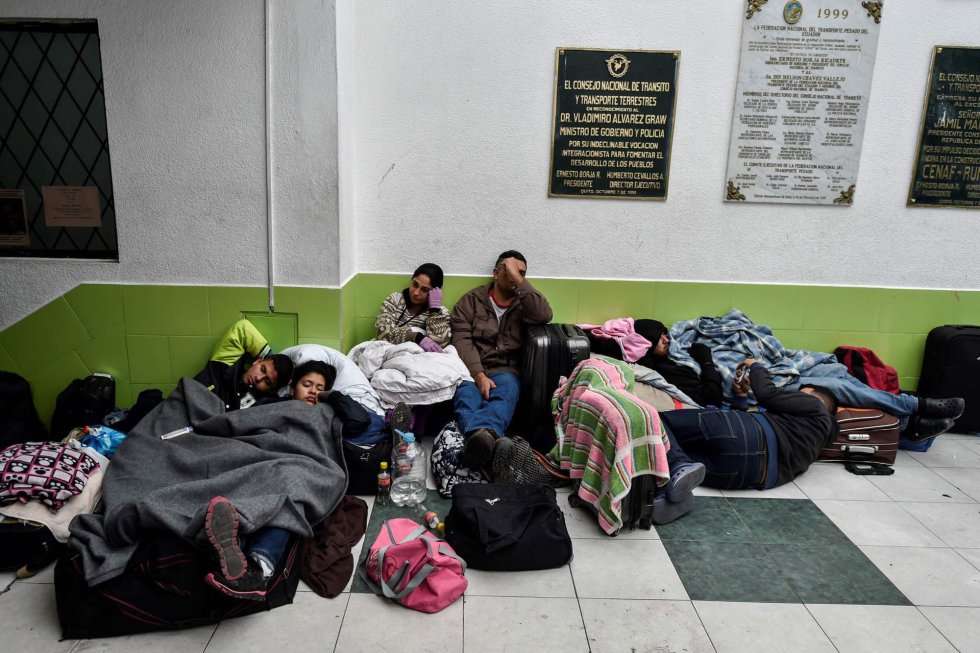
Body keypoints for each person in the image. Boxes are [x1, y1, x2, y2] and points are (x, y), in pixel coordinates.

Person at [659, 358, 839, 497]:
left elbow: (767, 394)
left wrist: (756, 366)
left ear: (818, 400)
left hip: (753, 434)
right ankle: (666, 498)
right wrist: (741, 396)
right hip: (746, 476)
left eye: (798, 395)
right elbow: (741, 442)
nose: (791, 397)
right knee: (666, 459)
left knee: (657, 421)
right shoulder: (812, 446)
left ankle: (677, 465)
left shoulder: (816, 406)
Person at [450, 250, 553, 468]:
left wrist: (517, 278)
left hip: (505, 369)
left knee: (506, 393)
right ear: (496, 273)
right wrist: (478, 375)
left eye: (521, 273)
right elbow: (461, 339)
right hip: (470, 368)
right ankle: (488, 442)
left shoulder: (525, 303)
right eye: (510, 271)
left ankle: (482, 438)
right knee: (467, 396)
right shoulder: (471, 300)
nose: (516, 276)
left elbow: (545, 315)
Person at [194, 319, 294, 411]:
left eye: (267, 382)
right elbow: (242, 328)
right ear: (258, 361)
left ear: (271, 390)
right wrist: (269, 356)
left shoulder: (262, 404)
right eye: (262, 369)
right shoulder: (225, 364)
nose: (258, 378)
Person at [630, 319, 724, 408]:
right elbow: (712, 399)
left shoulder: (672, 351)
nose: (667, 340)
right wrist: (707, 362)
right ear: (646, 344)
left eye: (664, 334)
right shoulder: (666, 369)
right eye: (658, 338)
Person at [375, 263, 451, 353]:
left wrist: (434, 310)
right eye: (415, 284)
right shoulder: (395, 300)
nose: (416, 293)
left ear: (434, 292)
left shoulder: (442, 312)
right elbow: (381, 332)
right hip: (391, 352)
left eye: (424, 290)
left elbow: (440, 345)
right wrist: (417, 337)